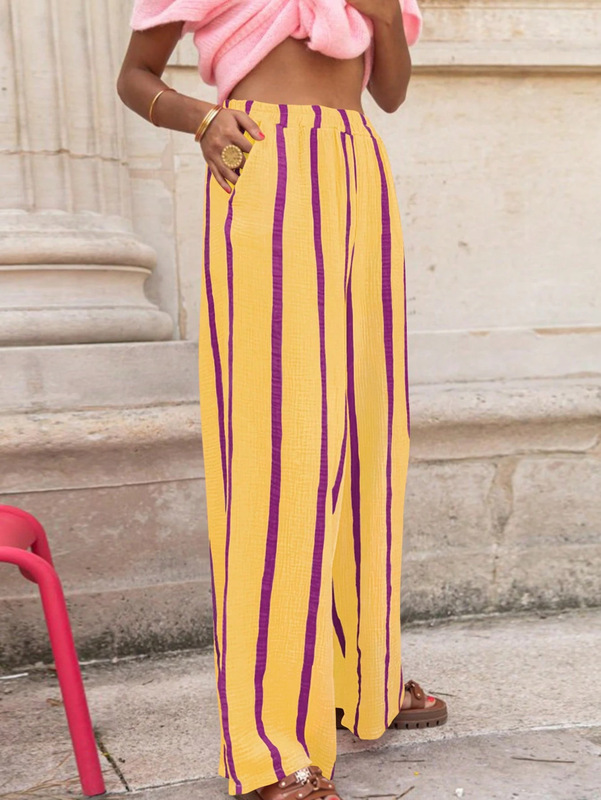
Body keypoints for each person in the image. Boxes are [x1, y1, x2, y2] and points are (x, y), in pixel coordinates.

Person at [117, 2, 447, 798]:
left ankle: (362, 678)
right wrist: (202, 121)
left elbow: (390, 93)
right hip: (263, 160)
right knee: (281, 447)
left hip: (359, 165)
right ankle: (268, 745)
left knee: (368, 434)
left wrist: (384, 21)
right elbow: (134, 77)